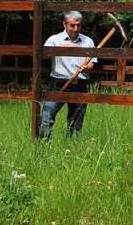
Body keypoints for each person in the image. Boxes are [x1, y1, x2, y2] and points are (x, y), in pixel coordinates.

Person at [39, 11, 97, 140]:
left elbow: (92, 63)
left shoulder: (88, 41)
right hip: (57, 84)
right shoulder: (54, 40)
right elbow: (43, 55)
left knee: (75, 123)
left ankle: (71, 150)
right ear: (64, 24)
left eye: (78, 25)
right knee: (46, 118)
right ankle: (43, 147)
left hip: (80, 86)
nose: (76, 29)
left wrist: (87, 67)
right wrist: (63, 47)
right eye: (72, 25)